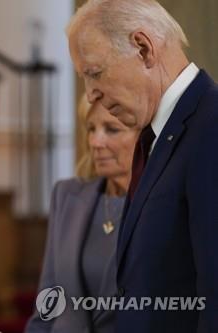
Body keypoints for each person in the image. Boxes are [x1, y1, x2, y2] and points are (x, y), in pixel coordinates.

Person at [67, 1, 218, 332]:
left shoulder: (211, 127)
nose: (90, 95)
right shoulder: (156, 137)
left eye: (94, 73)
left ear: (144, 48)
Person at [25, 96, 138, 333]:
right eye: (91, 129)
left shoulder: (161, 207)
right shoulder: (66, 196)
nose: (95, 141)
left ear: (144, 137)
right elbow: (47, 307)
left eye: (111, 129)